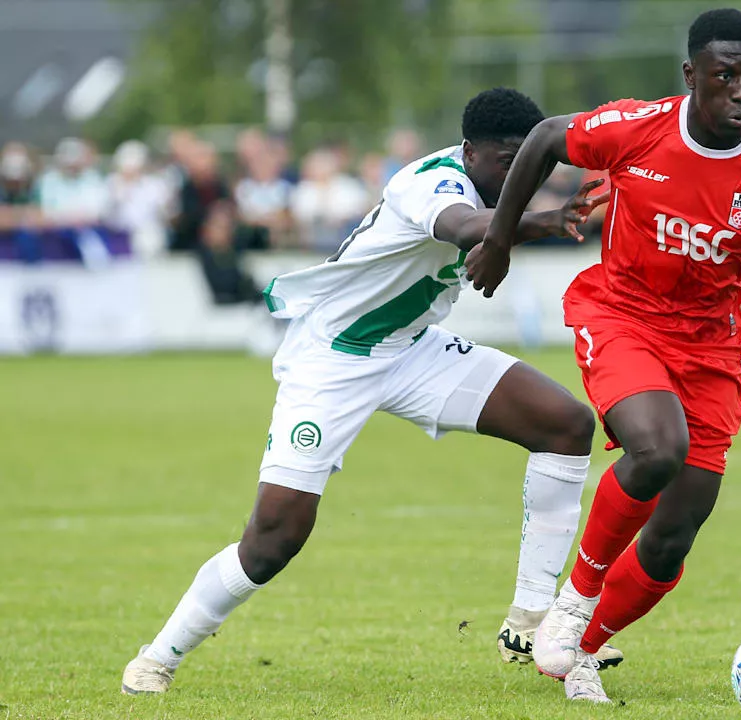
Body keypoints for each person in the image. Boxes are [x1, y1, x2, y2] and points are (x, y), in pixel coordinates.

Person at [120, 88, 621, 695]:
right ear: (470, 152)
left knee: (566, 425)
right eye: (506, 160)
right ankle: (157, 657)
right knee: (275, 537)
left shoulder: (494, 186)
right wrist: (534, 223)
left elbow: (491, 225)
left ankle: (530, 618)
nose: (519, 174)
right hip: (334, 359)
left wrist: (541, 218)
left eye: (533, 163)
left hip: (409, 349)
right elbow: (465, 227)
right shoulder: (428, 182)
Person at [467, 8, 741, 704]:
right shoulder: (638, 128)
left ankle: (580, 652)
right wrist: (500, 240)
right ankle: (571, 607)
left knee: (673, 535)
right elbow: (542, 140)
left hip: (711, 342)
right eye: (725, 77)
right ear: (692, 77)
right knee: (657, 449)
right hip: (622, 314)